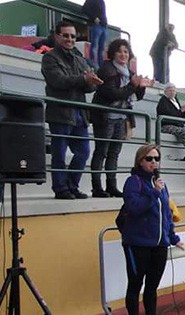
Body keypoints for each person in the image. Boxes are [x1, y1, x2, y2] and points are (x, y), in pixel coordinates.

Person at [120, 144, 183, 315]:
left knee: (152, 287)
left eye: (156, 159)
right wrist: (153, 193)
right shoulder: (133, 182)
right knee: (135, 285)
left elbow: (166, 215)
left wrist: (173, 238)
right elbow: (134, 208)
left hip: (159, 245)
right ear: (140, 161)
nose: (154, 162)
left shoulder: (161, 184)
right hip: (137, 244)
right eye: (149, 159)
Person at [41, 21, 103, 200]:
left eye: (73, 36)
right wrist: (84, 79)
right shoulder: (50, 57)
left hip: (80, 113)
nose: (70, 39)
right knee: (59, 154)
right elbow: (58, 81)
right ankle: (61, 188)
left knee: (83, 152)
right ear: (57, 36)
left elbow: (88, 85)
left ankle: (72, 186)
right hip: (60, 113)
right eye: (66, 35)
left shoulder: (79, 59)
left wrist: (91, 83)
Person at [90, 39, 151, 198]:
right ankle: (97, 187)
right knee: (101, 151)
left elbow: (136, 96)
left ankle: (112, 185)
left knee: (114, 153)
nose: (123, 54)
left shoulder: (129, 73)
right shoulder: (107, 69)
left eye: (126, 51)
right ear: (113, 53)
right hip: (106, 117)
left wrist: (141, 86)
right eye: (120, 51)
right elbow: (112, 94)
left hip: (122, 117)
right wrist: (132, 85)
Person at [157, 83, 185, 162]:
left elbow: (180, 116)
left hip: (176, 124)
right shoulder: (163, 101)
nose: (172, 92)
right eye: (170, 91)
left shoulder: (175, 100)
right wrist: (181, 110)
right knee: (182, 131)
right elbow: (170, 115)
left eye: (174, 91)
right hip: (166, 125)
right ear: (165, 92)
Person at [81, 0, 107, 69]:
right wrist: (94, 17)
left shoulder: (102, 1)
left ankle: (100, 68)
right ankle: (94, 66)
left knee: (101, 49)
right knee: (94, 47)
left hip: (103, 26)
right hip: (96, 25)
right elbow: (84, 9)